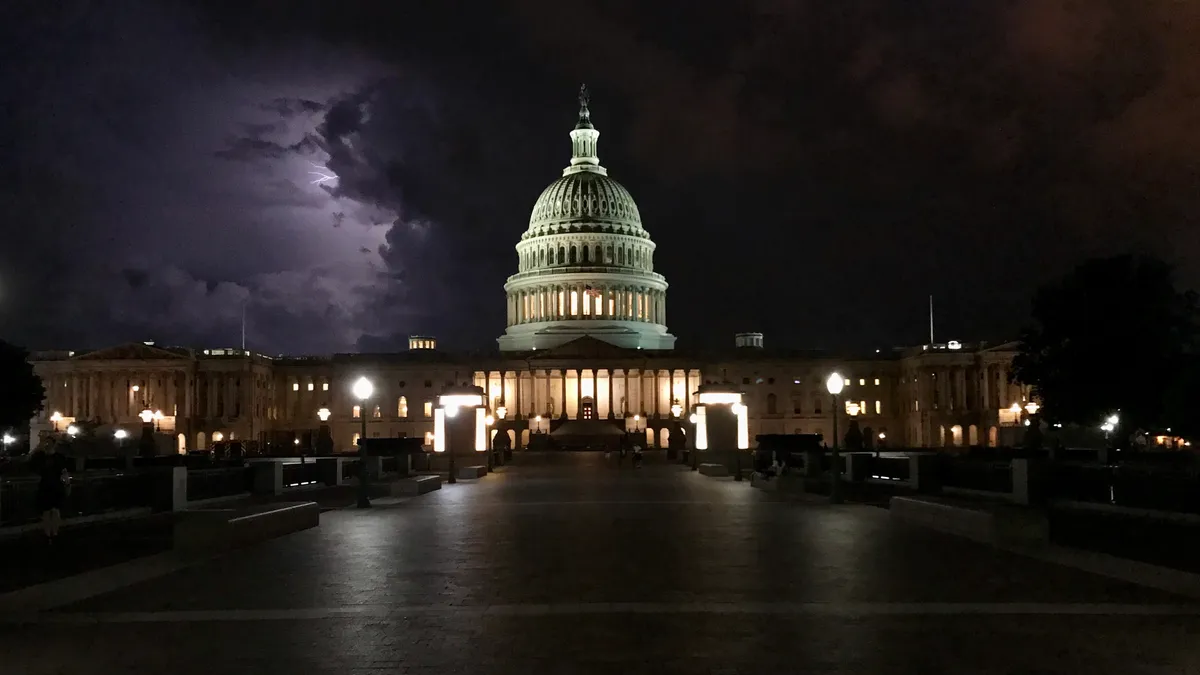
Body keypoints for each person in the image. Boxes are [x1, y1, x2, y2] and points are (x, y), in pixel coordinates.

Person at [30, 442, 71, 543]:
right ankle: (51, 534)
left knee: (52, 511)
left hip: (52, 486)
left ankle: (51, 534)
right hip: (51, 487)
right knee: (50, 512)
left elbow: (64, 473)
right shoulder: (46, 457)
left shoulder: (49, 458)